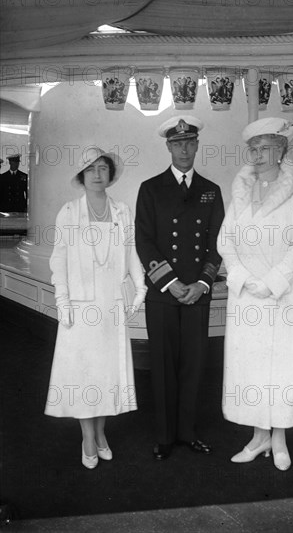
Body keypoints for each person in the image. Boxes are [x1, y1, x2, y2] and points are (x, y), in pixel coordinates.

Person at [217, 117, 293, 471]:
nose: (258, 155)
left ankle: (280, 439)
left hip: (284, 295)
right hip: (247, 295)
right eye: (253, 149)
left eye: (265, 148)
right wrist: (243, 277)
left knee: (283, 366)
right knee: (252, 365)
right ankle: (259, 437)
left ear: (281, 151)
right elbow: (225, 242)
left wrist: (272, 281)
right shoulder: (241, 192)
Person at [45, 146, 147, 469]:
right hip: (79, 303)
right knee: (83, 373)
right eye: (91, 169)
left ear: (110, 174)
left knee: (105, 374)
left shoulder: (121, 212)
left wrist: (140, 287)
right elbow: (58, 258)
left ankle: (101, 432)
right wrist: (62, 301)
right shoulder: (69, 213)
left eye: (103, 168)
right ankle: (87, 437)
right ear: (82, 176)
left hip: (111, 304)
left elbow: (132, 252)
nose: (98, 174)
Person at [135, 116, 225, 460]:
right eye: (177, 143)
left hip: (198, 293)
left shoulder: (210, 190)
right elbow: (143, 240)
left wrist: (203, 283)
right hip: (164, 293)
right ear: (168, 147)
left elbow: (218, 241)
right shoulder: (151, 188)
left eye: (190, 142)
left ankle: (187, 432)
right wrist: (171, 284)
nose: (184, 149)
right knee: (163, 364)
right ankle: (164, 436)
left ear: (197, 145)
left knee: (193, 365)